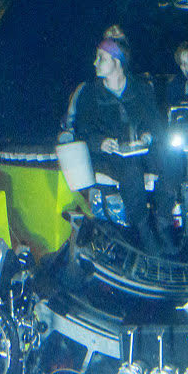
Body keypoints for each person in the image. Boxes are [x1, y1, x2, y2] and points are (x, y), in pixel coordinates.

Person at [58, 25, 160, 243]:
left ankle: (167, 225)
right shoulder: (88, 93)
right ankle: (143, 233)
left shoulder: (142, 87)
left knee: (172, 159)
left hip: (140, 152)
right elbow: (80, 130)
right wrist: (100, 142)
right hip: (109, 157)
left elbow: (155, 123)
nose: (96, 62)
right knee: (131, 171)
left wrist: (147, 136)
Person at [149, 39, 188, 239]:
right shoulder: (175, 85)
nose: (187, 68)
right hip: (182, 138)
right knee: (170, 165)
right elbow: (169, 113)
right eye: (183, 64)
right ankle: (165, 220)